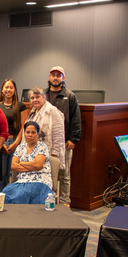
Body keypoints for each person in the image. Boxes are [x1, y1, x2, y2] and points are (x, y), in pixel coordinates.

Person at [44, 66, 81, 206]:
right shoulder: (43, 95)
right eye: (53, 75)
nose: (55, 78)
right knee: (47, 172)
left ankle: (65, 202)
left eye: (58, 75)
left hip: (65, 142)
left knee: (65, 175)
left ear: (63, 78)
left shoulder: (70, 96)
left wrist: (73, 139)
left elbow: (76, 119)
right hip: (46, 142)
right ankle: (49, 200)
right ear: (49, 77)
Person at [3, 121, 54, 204]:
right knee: (6, 191)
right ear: (24, 134)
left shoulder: (42, 146)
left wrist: (22, 163)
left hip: (40, 180)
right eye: (27, 132)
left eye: (33, 132)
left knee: (23, 193)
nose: (30, 135)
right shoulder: (20, 147)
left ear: (37, 134)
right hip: (22, 181)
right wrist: (32, 165)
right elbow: (13, 166)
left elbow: (38, 165)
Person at [0, 79, 27, 190]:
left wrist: (16, 143)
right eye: (6, 87)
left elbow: (23, 127)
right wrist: (1, 144)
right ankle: (1, 197)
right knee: (2, 174)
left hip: (15, 142)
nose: (8, 90)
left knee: (13, 174)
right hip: (2, 143)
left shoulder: (20, 106)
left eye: (11, 87)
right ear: (2, 90)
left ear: (15, 90)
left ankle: (13, 198)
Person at [24, 86, 65, 170]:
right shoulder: (33, 112)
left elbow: (58, 135)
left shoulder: (52, 110)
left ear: (44, 97)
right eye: (32, 98)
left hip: (49, 153)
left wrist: (54, 154)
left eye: (37, 97)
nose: (35, 100)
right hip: (34, 153)